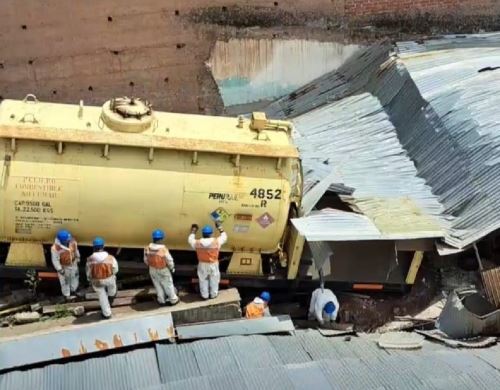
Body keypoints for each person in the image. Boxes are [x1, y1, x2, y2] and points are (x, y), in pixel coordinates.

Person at [188, 221, 227, 299]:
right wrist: (220, 227)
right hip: (213, 264)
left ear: (203, 234)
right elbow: (224, 237)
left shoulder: (197, 243)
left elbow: (190, 240)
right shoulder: (216, 242)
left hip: (202, 264)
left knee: (203, 280)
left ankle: (204, 295)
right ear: (211, 234)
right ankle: (213, 294)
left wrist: (193, 231)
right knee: (214, 279)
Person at [144, 229, 179, 306]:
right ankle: (173, 300)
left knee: (157, 285)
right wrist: (171, 268)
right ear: (161, 239)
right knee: (168, 285)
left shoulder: (147, 248)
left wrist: (151, 266)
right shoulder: (163, 249)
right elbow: (169, 260)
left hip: (152, 269)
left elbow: (145, 260)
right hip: (163, 269)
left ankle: (161, 301)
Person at [86, 237, 119, 319]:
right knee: (112, 284)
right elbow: (115, 269)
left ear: (93, 247)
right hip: (109, 279)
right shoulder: (111, 258)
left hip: (97, 281)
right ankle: (111, 295)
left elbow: (88, 272)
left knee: (102, 296)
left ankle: (107, 314)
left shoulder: (90, 259)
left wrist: (89, 280)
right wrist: (111, 275)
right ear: (103, 246)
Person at [51, 229, 80, 301]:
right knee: (65, 281)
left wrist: (78, 257)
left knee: (74, 278)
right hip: (64, 266)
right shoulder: (55, 248)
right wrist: (60, 269)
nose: (68, 240)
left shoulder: (73, 242)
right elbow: (55, 260)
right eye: (67, 240)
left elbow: (76, 250)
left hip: (73, 264)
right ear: (62, 241)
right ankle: (67, 296)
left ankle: (74, 291)